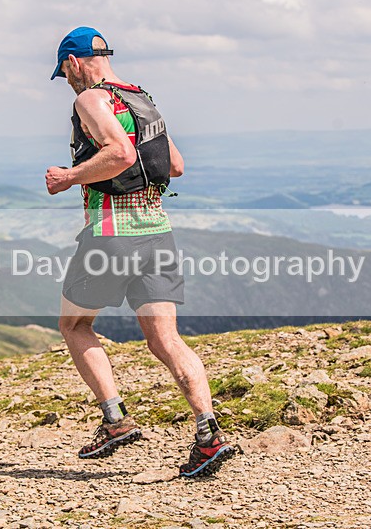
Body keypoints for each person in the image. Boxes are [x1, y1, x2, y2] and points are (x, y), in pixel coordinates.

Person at [45, 26, 234, 477]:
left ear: (74, 63)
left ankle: (115, 420)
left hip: (112, 234)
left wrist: (68, 178)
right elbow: (175, 166)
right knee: (165, 340)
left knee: (73, 324)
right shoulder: (141, 98)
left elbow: (121, 154)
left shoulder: (90, 99)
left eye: (65, 72)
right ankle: (209, 436)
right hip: (157, 232)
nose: (67, 81)